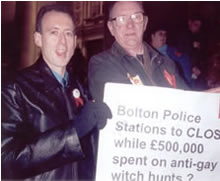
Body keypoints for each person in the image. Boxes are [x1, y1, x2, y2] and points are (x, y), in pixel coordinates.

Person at [1, 4, 112, 180]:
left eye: (68, 34)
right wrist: (73, 132)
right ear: (38, 39)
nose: (63, 42)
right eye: (54, 32)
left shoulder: (80, 88)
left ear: (75, 41)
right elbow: (6, 162)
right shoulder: (15, 88)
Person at [88, 1, 190, 102]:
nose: (130, 25)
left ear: (144, 23)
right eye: (122, 19)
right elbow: (128, 106)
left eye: (136, 17)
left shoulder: (167, 64)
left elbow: (188, 102)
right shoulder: (102, 64)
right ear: (111, 28)